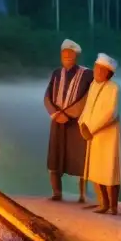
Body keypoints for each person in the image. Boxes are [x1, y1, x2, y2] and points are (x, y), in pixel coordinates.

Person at [43, 39, 92, 202]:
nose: (68, 57)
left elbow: (87, 98)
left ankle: (83, 195)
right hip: (57, 121)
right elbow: (48, 96)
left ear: (77, 55)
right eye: (64, 55)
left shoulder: (87, 74)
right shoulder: (56, 73)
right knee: (55, 156)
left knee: (80, 157)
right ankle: (57, 193)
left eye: (71, 55)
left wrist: (69, 114)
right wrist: (55, 114)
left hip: (76, 122)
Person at [79, 53, 121, 215]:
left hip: (107, 137)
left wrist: (91, 128)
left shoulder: (115, 89)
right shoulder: (93, 86)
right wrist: (82, 124)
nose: (96, 72)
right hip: (92, 136)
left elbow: (111, 113)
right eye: (96, 68)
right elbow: (87, 108)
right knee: (96, 171)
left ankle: (113, 206)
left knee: (109, 172)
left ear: (109, 73)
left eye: (101, 70)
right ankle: (103, 204)